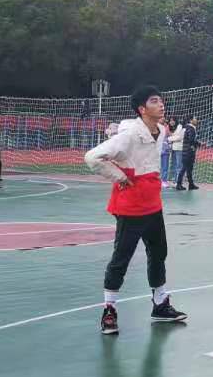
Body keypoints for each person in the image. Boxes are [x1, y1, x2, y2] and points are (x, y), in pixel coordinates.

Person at [84, 86, 188, 334]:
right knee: (121, 258)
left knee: (158, 253)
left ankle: (160, 304)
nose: (161, 104)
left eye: (161, 100)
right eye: (154, 101)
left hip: (153, 204)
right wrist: (119, 176)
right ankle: (109, 309)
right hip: (130, 207)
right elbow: (92, 157)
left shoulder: (161, 131)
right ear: (142, 109)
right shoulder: (129, 136)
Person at [175, 116, 200, 190]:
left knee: (189, 168)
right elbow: (191, 140)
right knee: (184, 168)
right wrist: (198, 143)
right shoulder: (190, 128)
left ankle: (191, 184)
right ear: (191, 120)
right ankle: (179, 184)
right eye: (195, 119)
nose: (196, 120)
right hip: (188, 151)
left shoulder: (189, 128)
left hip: (188, 151)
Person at [167, 117, 187, 188]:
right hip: (173, 149)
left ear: (176, 121)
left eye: (173, 120)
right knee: (174, 165)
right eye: (170, 120)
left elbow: (179, 137)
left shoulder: (180, 127)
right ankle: (175, 181)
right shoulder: (171, 128)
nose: (171, 122)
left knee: (179, 166)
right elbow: (175, 137)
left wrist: (168, 139)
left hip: (179, 149)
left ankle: (179, 181)